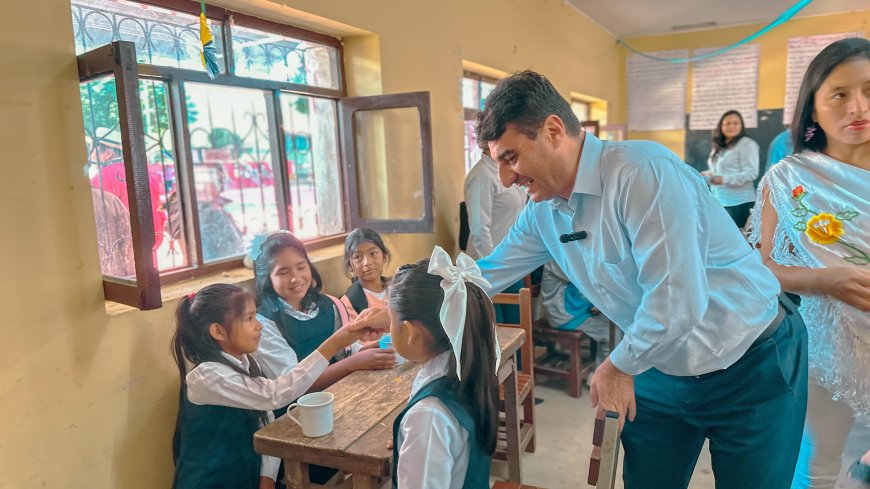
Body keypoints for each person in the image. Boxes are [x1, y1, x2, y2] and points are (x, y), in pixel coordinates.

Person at [474, 70, 807, 488]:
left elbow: (676, 303)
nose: (505, 179)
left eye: (510, 157)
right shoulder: (542, 211)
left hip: (752, 362)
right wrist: (409, 308)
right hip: (658, 364)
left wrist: (616, 367)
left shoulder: (642, 173)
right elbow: (485, 273)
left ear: (554, 130)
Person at [747, 37, 870, 489]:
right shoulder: (789, 179)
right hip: (827, 348)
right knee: (818, 465)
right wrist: (826, 279)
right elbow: (759, 269)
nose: (857, 106)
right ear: (813, 109)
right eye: (839, 94)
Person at [170, 283, 381, 489]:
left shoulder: (247, 361)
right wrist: (334, 343)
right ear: (218, 331)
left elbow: (266, 415)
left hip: (246, 476)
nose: (259, 325)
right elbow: (274, 395)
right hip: (210, 480)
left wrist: (267, 476)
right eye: (249, 319)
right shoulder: (207, 377)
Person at [387, 247, 499, 489]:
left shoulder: (428, 416)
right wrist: (413, 441)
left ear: (410, 333)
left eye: (389, 321)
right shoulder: (467, 367)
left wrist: (421, 435)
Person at [253, 231, 396, 388]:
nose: (295, 278)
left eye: (301, 267)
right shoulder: (263, 325)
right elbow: (290, 387)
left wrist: (376, 347)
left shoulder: (329, 305)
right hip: (298, 409)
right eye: (283, 272)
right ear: (267, 279)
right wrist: (351, 364)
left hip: (342, 391)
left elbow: (347, 351)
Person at [464, 146, 528, 323]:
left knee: (518, 325)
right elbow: (479, 229)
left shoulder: (507, 171)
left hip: (511, 262)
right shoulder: (482, 176)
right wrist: (492, 268)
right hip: (489, 266)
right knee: (497, 329)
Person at [540, 261, 612, 367]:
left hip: (577, 310)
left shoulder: (569, 255)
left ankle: (601, 372)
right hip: (565, 317)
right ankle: (601, 378)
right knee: (610, 333)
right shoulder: (556, 261)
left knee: (614, 322)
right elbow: (586, 277)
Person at [702, 110, 760, 228]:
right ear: (721, 126)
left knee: (735, 241)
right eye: (727, 123)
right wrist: (706, 174)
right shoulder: (720, 146)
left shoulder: (747, 144)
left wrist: (723, 179)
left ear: (741, 125)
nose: (731, 126)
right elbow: (718, 170)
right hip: (719, 200)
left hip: (738, 202)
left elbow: (752, 173)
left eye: (735, 123)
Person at [340, 228, 391, 322]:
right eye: (358, 257)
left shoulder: (396, 288)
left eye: (373, 253)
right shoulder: (349, 302)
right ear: (350, 265)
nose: (367, 262)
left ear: (384, 256)